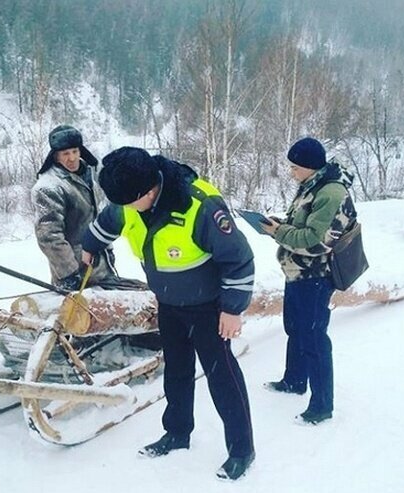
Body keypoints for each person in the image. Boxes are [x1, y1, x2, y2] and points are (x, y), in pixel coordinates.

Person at [81, 147, 255, 481]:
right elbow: (108, 220)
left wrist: (233, 310)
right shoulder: (129, 198)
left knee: (223, 378)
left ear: (150, 190)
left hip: (209, 308)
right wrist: (90, 245)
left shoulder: (200, 206)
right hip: (169, 304)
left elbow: (239, 259)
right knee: (176, 372)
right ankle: (177, 433)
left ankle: (241, 450)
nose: (124, 208)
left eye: (130, 202)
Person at [261, 136, 357, 425]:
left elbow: (315, 241)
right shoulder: (312, 184)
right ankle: (294, 380)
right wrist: (279, 224)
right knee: (295, 328)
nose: (291, 172)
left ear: (309, 166)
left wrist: (277, 233)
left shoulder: (331, 193)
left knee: (314, 337)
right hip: (297, 271)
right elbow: (302, 225)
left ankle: (321, 405)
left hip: (317, 274)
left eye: (295, 167)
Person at [32, 125, 144, 291]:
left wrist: (107, 249)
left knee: (138, 298)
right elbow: (49, 237)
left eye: (75, 151)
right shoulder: (47, 187)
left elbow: (95, 218)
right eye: (65, 154)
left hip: (99, 268)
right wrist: (69, 274)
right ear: (55, 157)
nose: (71, 158)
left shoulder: (87, 176)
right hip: (76, 275)